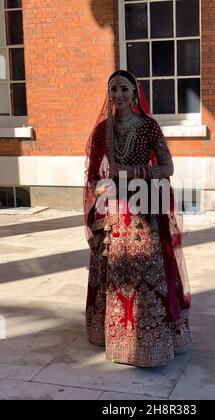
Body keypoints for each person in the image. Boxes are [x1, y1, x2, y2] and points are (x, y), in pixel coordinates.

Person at [83, 70, 192, 367]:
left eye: (124, 90)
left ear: (135, 94)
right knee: (113, 270)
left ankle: (151, 340)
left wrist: (133, 173)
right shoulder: (102, 130)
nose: (118, 95)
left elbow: (167, 168)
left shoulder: (149, 127)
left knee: (148, 268)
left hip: (144, 207)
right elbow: (92, 174)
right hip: (112, 208)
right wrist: (99, 186)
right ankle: (115, 336)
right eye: (114, 89)